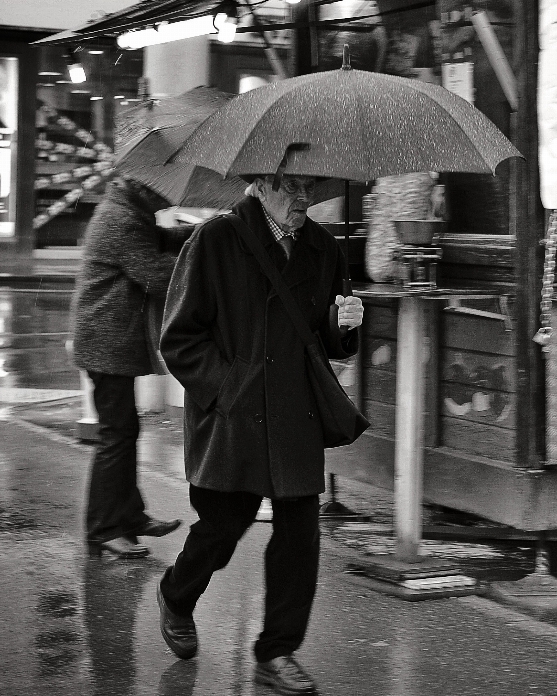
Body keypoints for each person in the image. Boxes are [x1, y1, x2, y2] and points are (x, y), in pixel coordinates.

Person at [155, 170, 364, 696]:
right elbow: (179, 338)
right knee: (225, 521)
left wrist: (346, 327)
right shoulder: (215, 241)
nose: (304, 197)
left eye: (310, 186)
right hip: (235, 412)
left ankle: (277, 652)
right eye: (291, 185)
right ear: (260, 184)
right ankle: (177, 595)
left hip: (294, 410)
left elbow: (329, 341)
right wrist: (226, 388)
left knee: (300, 534)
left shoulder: (322, 248)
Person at [71, 176, 188, 559]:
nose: (165, 199)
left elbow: (163, 239)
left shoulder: (128, 214)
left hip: (109, 343)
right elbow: (156, 275)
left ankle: (130, 517)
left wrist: (208, 231)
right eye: (160, 193)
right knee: (115, 437)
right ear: (143, 188)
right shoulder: (120, 220)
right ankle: (104, 529)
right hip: (105, 344)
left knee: (123, 431)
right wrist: (205, 260)